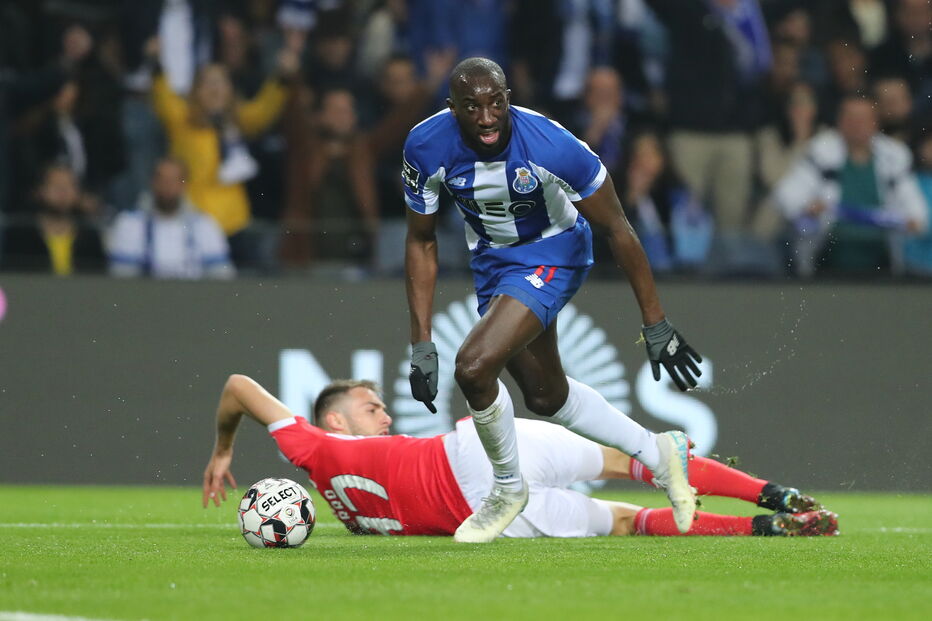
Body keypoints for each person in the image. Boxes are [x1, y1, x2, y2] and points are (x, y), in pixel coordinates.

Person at [401, 57, 703, 543]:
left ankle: (506, 489)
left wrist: (656, 323)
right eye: (472, 106)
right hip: (493, 263)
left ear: (508, 98)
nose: (486, 117)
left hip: (554, 251)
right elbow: (421, 240)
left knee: (474, 367)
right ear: (451, 107)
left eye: (496, 102)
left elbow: (617, 227)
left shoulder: (552, 145)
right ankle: (658, 452)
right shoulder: (424, 145)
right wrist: (420, 342)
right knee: (546, 397)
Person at [201, 375, 839, 538]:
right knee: (634, 463)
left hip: (487, 512)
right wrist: (224, 449)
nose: (385, 414)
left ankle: (766, 526)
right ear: (334, 419)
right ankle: (773, 496)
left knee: (627, 520)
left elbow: (232, 388)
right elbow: (237, 385)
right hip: (477, 454)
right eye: (371, 406)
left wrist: (231, 450)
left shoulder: (333, 496)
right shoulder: (317, 440)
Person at [773, 94, 927, 275]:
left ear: (875, 122)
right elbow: (785, 196)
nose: (857, 124)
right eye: (851, 118)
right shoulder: (820, 151)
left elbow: (916, 211)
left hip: (881, 256)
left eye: (863, 119)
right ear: (840, 121)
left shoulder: (895, 155)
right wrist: (808, 207)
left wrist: (913, 221)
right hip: (828, 254)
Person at [107, 158, 235, 279]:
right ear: (152, 182)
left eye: (174, 180)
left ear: (184, 185)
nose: (167, 186)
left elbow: (222, 276)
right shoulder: (130, 223)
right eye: (162, 179)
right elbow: (121, 278)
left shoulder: (204, 225)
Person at [0, 163, 104, 275]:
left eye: (69, 186)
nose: (63, 193)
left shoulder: (90, 235)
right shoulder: (21, 234)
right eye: (56, 186)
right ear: (40, 190)